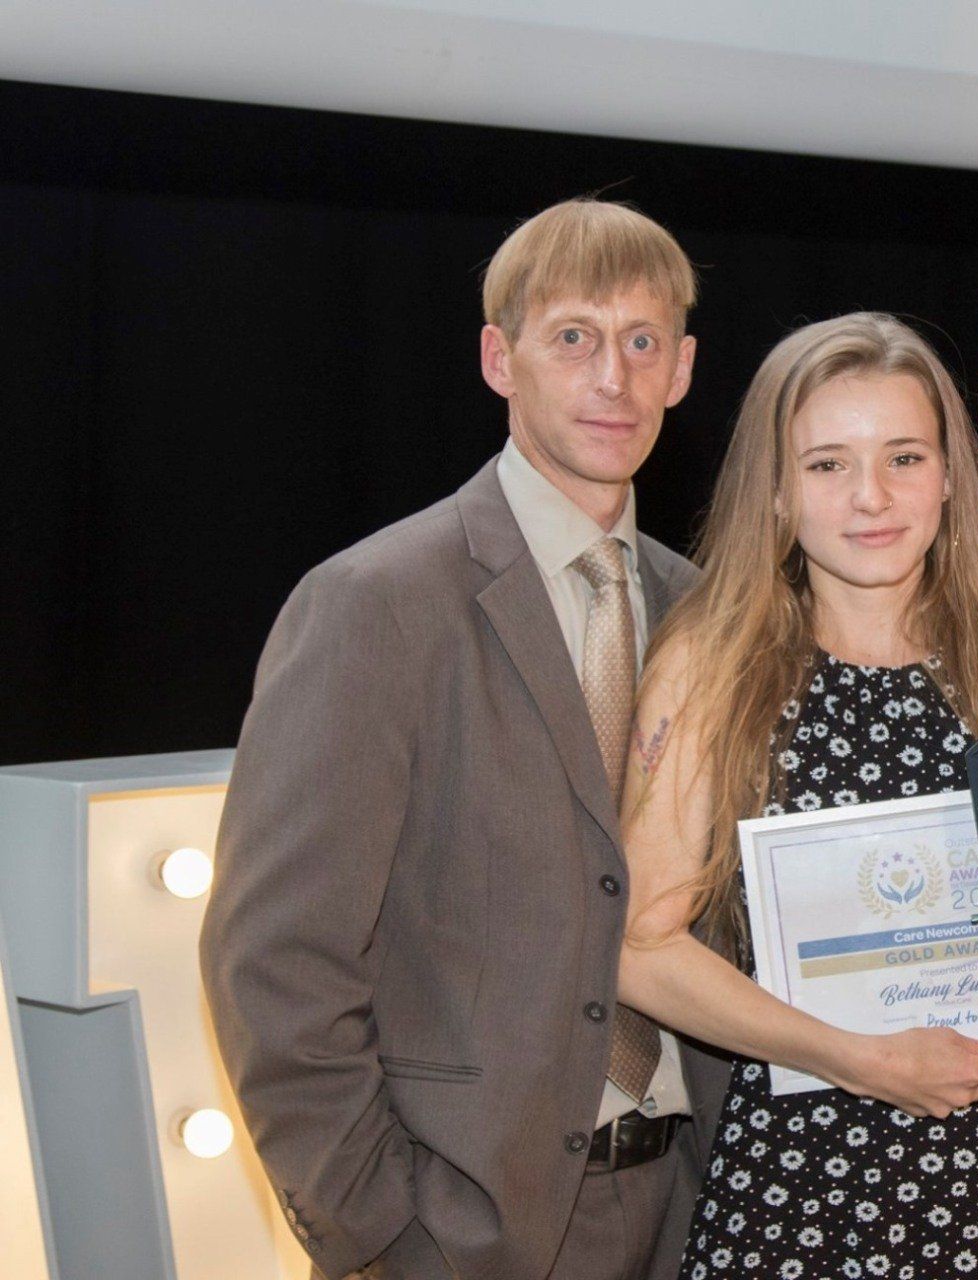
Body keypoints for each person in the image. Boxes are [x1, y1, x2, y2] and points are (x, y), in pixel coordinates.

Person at [201, 198, 716, 1279]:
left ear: (681, 370)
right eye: (573, 337)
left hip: (694, 1208)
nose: (613, 378)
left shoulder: (710, 614)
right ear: (498, 359)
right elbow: (277, 961)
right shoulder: (375, 603)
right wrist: (384, 1231)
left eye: (642, 342)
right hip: (466, 1231)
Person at [612, 312, 978, 1279]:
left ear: (951, 475)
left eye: (905, 458)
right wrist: (858, 1058)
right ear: (777, 489)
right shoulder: (711, 668)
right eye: (828, 464)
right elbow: (639, 947)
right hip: (802, 1181)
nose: (871, 497)